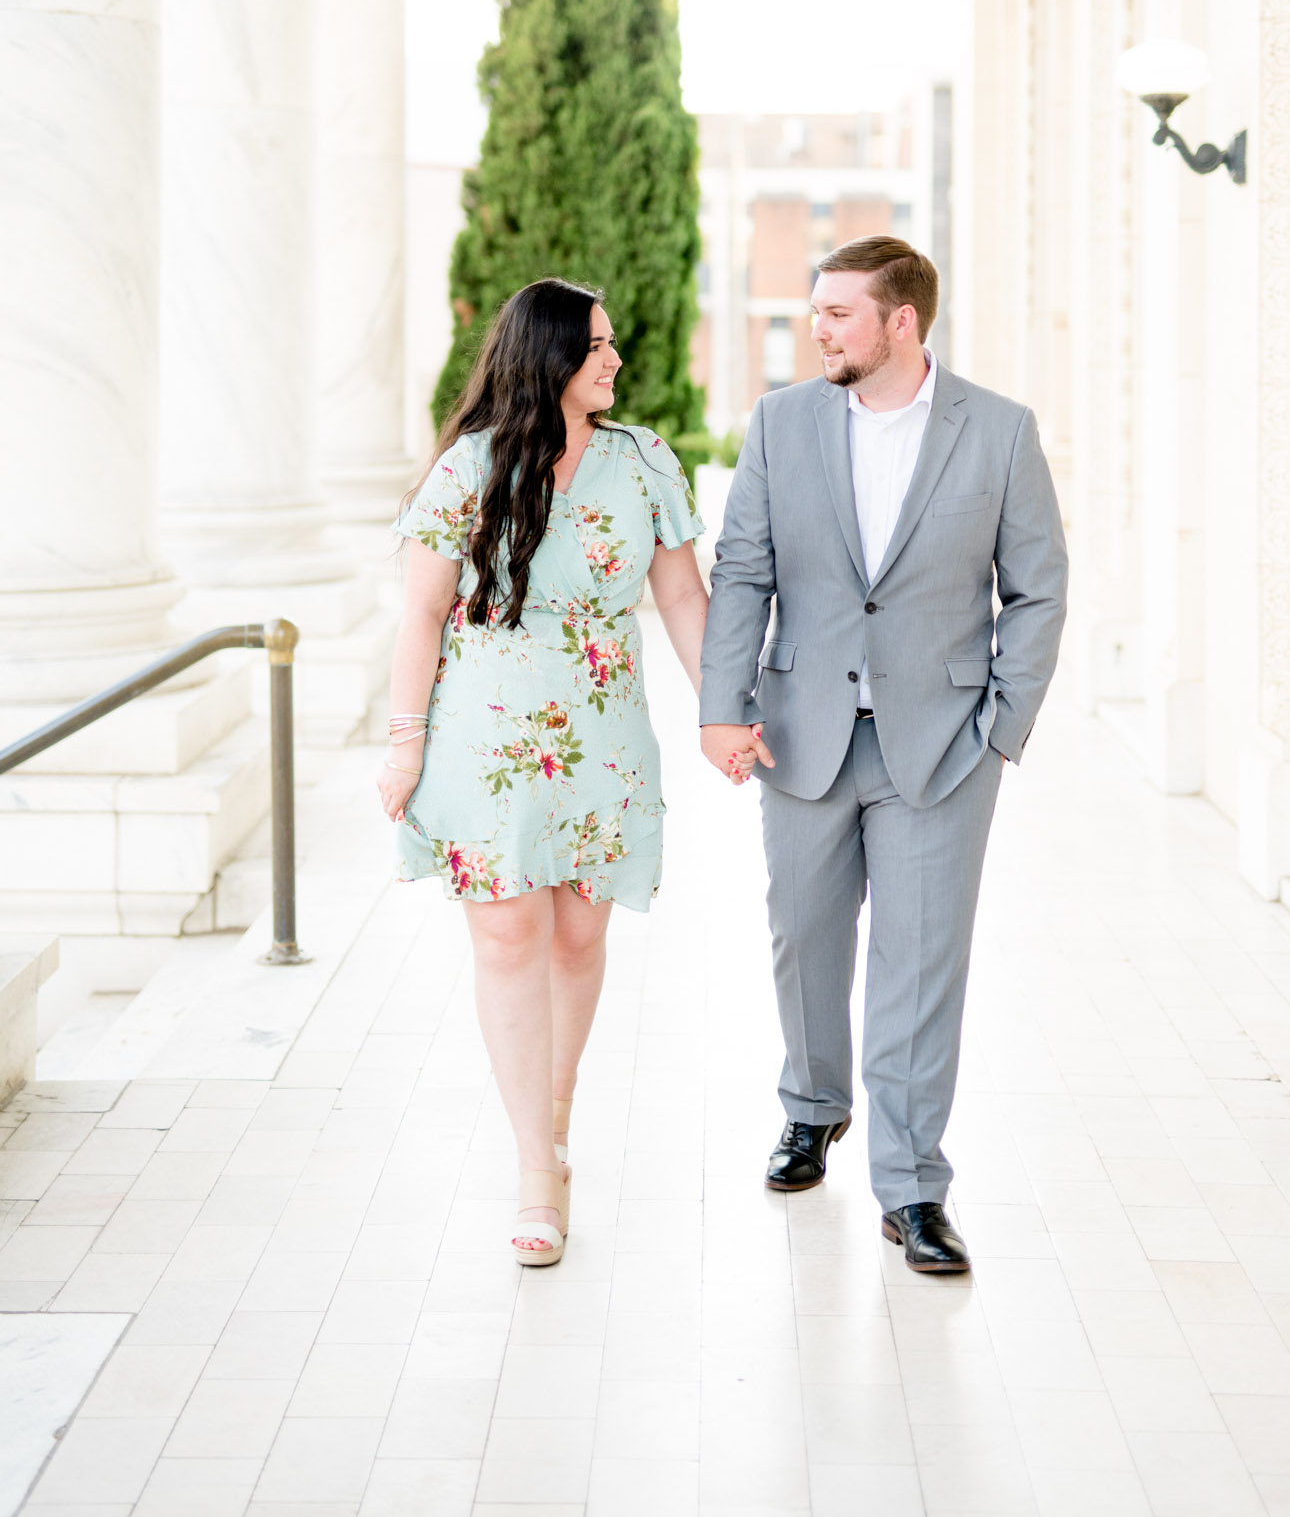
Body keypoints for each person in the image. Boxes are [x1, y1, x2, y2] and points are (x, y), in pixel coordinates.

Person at [698, 236, 1067, 1273]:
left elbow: (1037, 586)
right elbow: (742, 571)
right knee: (803, 937)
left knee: (919, 961)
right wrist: (720, 706)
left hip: (942, 746)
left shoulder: (996, 431)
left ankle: (911, 1186)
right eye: (816, 310)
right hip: (801, 731)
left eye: (838, 314)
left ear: (900, 321)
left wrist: (1002, 722)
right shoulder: (780, 422)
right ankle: (813, 1105)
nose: (817, 328)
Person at [378, 278, 716, 1264]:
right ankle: (536, 1164)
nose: (614, 360)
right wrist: (404, 742)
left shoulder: (642, 460)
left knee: (575, 933)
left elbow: (686, 598)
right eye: (597, 346)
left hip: (602, 731)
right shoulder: (468, 469)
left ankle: (557, 1117)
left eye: (612, 343)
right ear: (549, 358)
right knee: (507, 933)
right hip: (483, 729)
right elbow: (419, 614)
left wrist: (727, 712)